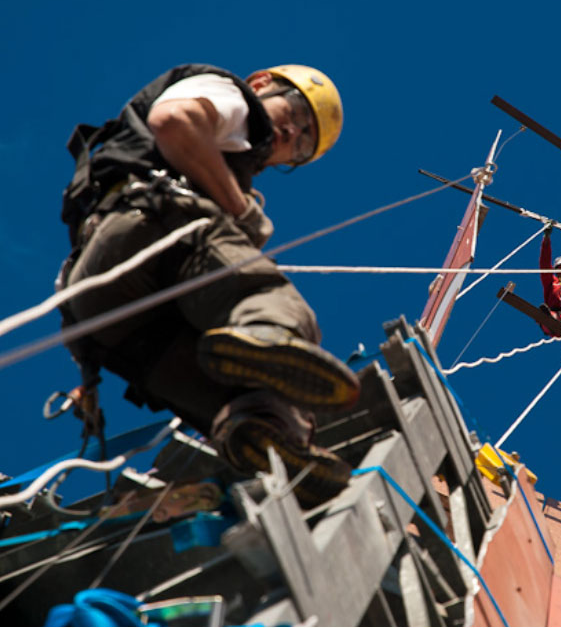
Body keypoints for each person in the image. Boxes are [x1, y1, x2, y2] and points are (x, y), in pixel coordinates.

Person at [57, 63, 358, 507]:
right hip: (152, 229)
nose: (292, 133)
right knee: (276, 308)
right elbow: (173, 121)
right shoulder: (232, 99)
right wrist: (238, 207)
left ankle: (266, 437)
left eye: (305, 144)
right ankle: (264, 337)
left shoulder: (231, 157)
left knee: (256, 399)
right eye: (295, 110)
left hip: (106, 314)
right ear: (261, 85)